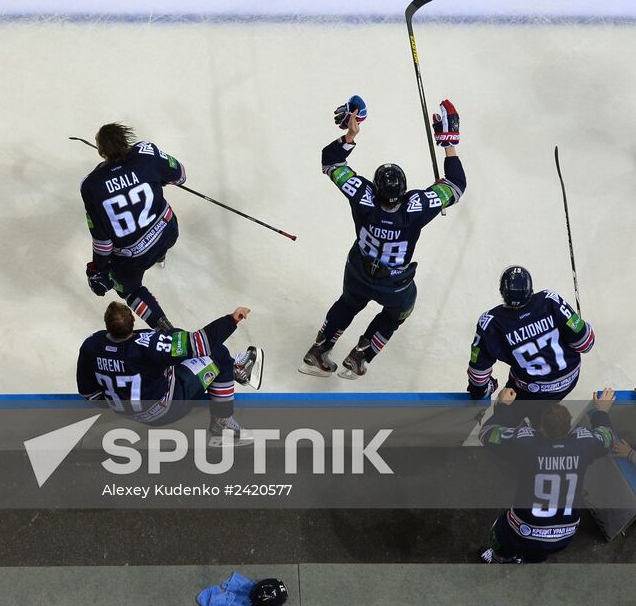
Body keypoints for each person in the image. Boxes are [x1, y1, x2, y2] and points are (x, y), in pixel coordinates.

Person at [300, 96, 465, 379]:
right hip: (393, 284)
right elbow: (456, 186)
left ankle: (317, 352)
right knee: (398, 312)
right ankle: (360, 356)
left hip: (358, 271)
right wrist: (448, 144)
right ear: (404, 191)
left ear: (375, 188)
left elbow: (330, 162)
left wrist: (351, 135)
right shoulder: (417, 207)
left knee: (348, 303)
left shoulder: (364, 196)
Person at [76, 301, 262, 445]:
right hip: (166, 409)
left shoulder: (91, 344)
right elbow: (200, 343)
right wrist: (232, 319)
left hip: (124, 410)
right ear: (132, 323)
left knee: (171, 352)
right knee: (218, 354)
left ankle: (226, 377)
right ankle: (223, 419)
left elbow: (89, 394)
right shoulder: (148, 344)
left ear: (107, 325)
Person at [479, 387, 616, 564]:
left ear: (540, 427)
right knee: (539, 550)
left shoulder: (526, 444)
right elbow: (608, 438)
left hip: (524, 528)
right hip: (563, 535)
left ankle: (499, 558)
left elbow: (487, 433)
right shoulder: (585, 445)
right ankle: (531, 560)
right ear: (568, 427)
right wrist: (602, 412)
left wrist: (503, 406)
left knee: (499, 532)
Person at [81, 123, 189, 334]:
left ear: (102, 152)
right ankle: (160, 257)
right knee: (161, 241)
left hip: (133, 257)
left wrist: (98, 269)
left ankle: (168, 332)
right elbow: (181, 176)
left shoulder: (91, 186)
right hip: (168, 231)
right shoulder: (147, 152)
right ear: (125, 140)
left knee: (129, 290)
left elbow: (102, 242)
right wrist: (158, 176)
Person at [467, 266, 593, 407]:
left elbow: (478, 377)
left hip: (528, 394)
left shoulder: (490, 322)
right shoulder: (550, 300)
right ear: (530, 289)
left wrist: (482, 391)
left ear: (502, 292)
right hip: (568, 382)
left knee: (500, 413)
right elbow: (585, 344)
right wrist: (581, 326)